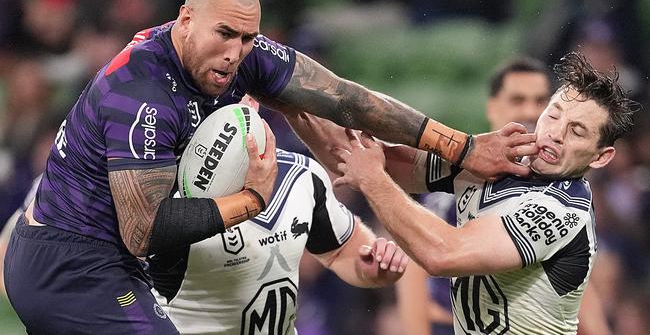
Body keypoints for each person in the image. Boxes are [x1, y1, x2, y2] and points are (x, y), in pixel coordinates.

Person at [3, 0, 534, 333]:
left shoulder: (242, 64)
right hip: (70, 262)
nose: (236, 53)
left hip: (127, 263)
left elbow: (347, 100)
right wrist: (253, 200)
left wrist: (462, 145)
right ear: (185, 20)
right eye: (225, 34)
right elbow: (146, 230)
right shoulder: (139, 92)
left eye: (249, 38)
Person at [330, 52, 637, 334]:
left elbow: (440, 254)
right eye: (553, 115)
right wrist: (294, 101)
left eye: (577, 131)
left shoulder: (564, 211)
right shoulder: (489, 161)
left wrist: (373, 179)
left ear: (600, 157)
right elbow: (357, 157)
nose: (555, 134)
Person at [148, 95, 408, 334]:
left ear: (252, 102)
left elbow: (341, 252)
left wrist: (375, 269)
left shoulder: (302, 176)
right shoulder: (162, 199)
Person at [396, 56, 553, 335]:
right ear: (492, 107)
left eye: (541, 101)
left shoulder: (560, 184)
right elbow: (415, 261)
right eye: (518, 100)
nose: (531, 111)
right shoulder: (461, 176)